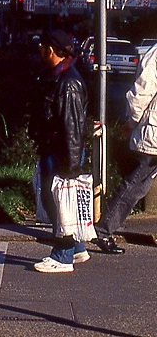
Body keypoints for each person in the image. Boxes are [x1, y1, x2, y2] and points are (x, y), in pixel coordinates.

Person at [29, 29, 90, 272]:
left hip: (62, 152)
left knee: (59, 202)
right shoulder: (57, 76)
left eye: (42, 47)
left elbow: (72, 128)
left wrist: (71, 166)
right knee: (53, 198)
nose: (40, 51)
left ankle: (63, 256)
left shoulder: (68, 83)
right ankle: (76, 248)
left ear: (52, 50)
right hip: (54, 148)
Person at [92, 42, 157, 254]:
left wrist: (132, 122)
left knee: (136, 185)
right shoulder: (155, 55)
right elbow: (141, 93)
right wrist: (134, 122)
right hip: (153, 133)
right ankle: (103, 230)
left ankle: (104, 229)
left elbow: (141, 93)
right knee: (135, 185)